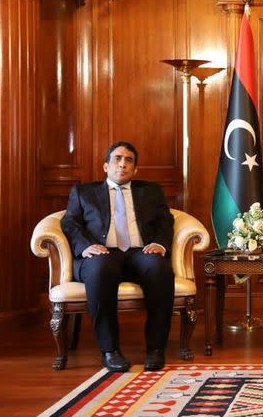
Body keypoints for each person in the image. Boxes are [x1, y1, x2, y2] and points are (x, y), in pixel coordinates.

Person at [61, 141, 175, 372]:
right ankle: (110, 351)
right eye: (117, 159)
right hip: (102, 253)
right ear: (106, 166)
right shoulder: (84, 192)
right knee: (100, 269)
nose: (122, 164)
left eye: (129, 160)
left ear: (135, 169)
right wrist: (86, 246)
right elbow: (69, 222)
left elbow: (166, 221)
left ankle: (155, 349)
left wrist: (159, 244)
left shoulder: (151, 191)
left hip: (139, 252)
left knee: (159, 268)